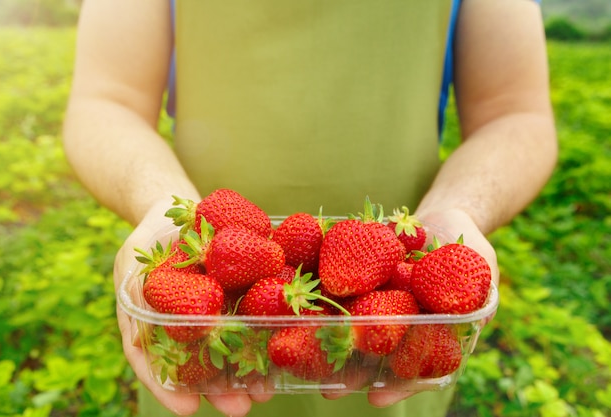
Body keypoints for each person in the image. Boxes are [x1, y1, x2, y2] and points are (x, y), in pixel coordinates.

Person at [62, 0, 557, 416]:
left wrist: (454, 213)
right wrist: (162, 206)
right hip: (206, 343)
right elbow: (108, 99)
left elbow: (515, 112)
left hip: (401, 335)